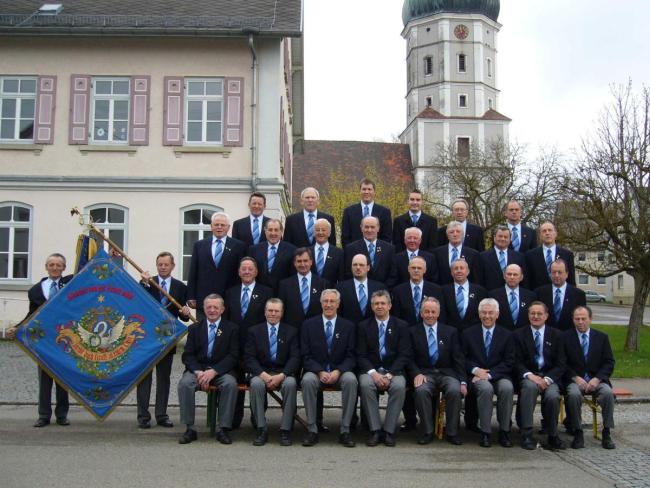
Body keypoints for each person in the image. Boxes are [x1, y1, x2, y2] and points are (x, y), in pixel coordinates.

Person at [9, 253, 73, 428]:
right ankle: (44, 415)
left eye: (58, 265)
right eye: (51, 264)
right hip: (44, 341)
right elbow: (32, 315)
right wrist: (17, 327)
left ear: (63, 268)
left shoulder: (70, 284)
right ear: (46, 267)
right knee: (45, 379)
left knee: (62, 379)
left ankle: (62, 415)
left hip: (64, 339)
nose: (54, 268)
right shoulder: (36, 290)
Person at [137, 252, 191, 429]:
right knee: (144, 378)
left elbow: (183, 316)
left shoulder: (179, 287)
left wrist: (185, 313)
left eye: (166, 264)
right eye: (159, 264)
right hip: (147, 339)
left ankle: (161, 414)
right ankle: (143, 416)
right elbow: (138, 303)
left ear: (173, 266)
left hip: (167, 339)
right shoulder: (148, 282)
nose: (162, 267)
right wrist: (143, 284)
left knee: (163, 378)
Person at [177, 294, 239, 445]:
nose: (212, 310)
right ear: (204, 309)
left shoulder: (232, 329)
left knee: (230, 384)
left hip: (221, 371)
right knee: (185, 384)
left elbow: (233, 356)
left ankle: (223, 428)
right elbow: (187, 356)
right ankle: (189, 428)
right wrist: (198, 372)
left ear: (222, 309)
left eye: (215, 307)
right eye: (209, 307)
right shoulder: (194, 329)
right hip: (198, 371)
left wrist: (214, 371)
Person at [300, 289, 358, 447]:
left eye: (332, 301)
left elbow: (351, 356)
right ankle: (312, 429)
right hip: (316, 372)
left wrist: (338, 371)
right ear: (321, 303)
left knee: (351, 380)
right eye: (325, 301)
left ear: (338, 304)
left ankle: (345, 430)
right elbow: (305, 355)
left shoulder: (348, 326)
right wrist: (319, 371)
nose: (328, 304)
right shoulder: (308, 325)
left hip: (339, 372)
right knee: (307, 381)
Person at [407, 297, 467, 445]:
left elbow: (458, 358)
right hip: (424, 373)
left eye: (433, 311)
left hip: (447, 373)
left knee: (454, 390)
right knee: (421, 391)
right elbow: (408, 357)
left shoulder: (450, 331)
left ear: (438, 313)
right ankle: (427, 431)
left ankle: (452, 432)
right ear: (421, 313)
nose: (429, 315)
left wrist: (463, 381)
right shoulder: (412, 332)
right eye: (426, 311)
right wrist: (416, 373)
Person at [224, 257, 273, 429]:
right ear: (238, 272)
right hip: (235, 346)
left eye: (250, 269)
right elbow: (227, 320)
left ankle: (257, 417)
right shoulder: (230, 292)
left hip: (258, 347)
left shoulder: (266, 292)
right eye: (243, 269)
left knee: (258, 382)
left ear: (256, 272)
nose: (246, 272)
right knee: (236, 381)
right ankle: (234, 419)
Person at [357, 290, 410, 447]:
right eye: (376, 304)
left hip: (394, 370)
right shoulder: (363, 326)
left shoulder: (401, 326)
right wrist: (373, 374)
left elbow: (404, 354)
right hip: (371, 370)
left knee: (399, 386)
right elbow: (361, 354)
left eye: (383, 303)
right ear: (372, 307)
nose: (379, 306)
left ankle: (389, 431)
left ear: (389, 306)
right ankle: (375, 430)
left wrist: (390, 374)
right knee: (366, 384)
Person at [245, 298, 300, 446]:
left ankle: (286, 430)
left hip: (283, 373)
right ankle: (261, 428)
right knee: (255, 384)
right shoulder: (254, 331)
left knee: (290, 384)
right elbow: (249, 358)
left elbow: (295, 357)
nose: (273, 314)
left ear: (282, 313)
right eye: (270, 310)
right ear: (265, 312)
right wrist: (263, 375)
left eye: (276, 311)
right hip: (262, 373)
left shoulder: (291, 331)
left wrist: (282, 375)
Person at [513, 301, 566, 450]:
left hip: (550, 377)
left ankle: (552, 434)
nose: (536, 316)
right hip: (528, 377)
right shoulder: (518, 335)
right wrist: (530, 375)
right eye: (532, 313)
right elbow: (516, 361)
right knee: (529, 389)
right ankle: (527, 433)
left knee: (553, 396)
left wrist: (547, 379)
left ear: (546, 316)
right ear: (528, 315)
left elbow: (561, 363)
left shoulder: (557, 335)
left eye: (539, 314)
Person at [462, 299, 515, 448]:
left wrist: (489, 374)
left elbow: (509, 361)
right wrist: (476, 370)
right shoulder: (468, 333)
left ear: (497, 314)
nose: (487, 316)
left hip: (499, 375)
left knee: (507, 388)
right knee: (485, 389)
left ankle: (504, 431)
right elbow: (462, 358)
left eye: (490, 313)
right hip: (476, 377)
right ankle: (486, 432)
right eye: (484, 313)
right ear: (479, 314)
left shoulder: (507, 335)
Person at [563, 306, 616, 449]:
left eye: (583, 319)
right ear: (573, 320)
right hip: (575, 380)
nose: (580, 322)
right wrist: (575, 377)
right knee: (573, 395)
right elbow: (562, 363)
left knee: (607, 393)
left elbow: (609, 362)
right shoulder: (565, 337)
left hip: (596, 380)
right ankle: (577, 431)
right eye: (577, 319)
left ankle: (606, 431)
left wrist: (597, 378)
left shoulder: (602, 337)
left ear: (590, 319)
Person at [186, 212, 246, 319]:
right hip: (204, 300)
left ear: (228, 227)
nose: (219, 227)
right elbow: (193, 271)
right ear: (211, 226)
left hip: (228, 300)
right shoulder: (199, 245)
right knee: (203, 332)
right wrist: (191, 296)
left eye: (222, 225)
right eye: (216, 224)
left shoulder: (238, 246)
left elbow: (240, 274)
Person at [278, 248, 330, 328]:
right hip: (292, 330)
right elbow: (282, 310)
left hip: (315, 328)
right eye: (299, 261)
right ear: (294, 263)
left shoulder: (323, 283)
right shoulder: (284, 285)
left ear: (311, 262)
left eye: (305, 261)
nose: (302, 264)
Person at [391, 256, 444, 326]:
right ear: (408, 269)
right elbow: (396, 316)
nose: (416, 270)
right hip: (406, 331)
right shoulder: (398, 291)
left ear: (425, 270)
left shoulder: (436, 290)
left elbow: (441, 316)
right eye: (413, 268)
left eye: (419, 268)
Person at [247, 219, 296, 294]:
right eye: (270, 230)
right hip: (259, 294)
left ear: (281, 231)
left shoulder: (292, 250)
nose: (273, 233)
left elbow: (293, 275)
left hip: (282, 293)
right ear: (265, 231)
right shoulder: (254, 250)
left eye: (276, 230)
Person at [535, 259, 586, 331]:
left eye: (560, 272)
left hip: (568, 337)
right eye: (554, 272)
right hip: (547, 337)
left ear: (567, 274)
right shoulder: (539, 293)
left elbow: (581, 319)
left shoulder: (578, 295)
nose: (556, 275)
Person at [336, 254, 387, 325]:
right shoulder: (340, 288)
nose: (358, 267)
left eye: (361, 265)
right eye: (355, 265)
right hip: (350, 331)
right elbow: (338, 312)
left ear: (368, 267)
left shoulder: (379, 287)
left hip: (372, 331)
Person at [343, 215, 395, 284]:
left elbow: (393, 274)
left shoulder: (389, 249)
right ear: (361, 228)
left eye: (372, 227)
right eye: (366, 227)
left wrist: (383, 290)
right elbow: (348, 273)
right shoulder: (350, 248)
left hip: (382, 292)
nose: (369, 230)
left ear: (378, 228)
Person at [341, 177, 392, 246]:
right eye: (364, 189)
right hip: (355, 254)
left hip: (377, 254)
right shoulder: (348, 212)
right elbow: (345, 238)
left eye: (369, 189)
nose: (366, 192)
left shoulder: (384, 212)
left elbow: (387, 237)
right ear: (360, 191)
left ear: (374, 191)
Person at [525, 221, 576, 289]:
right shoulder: (530, 255)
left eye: (550, 230)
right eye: (544, 231)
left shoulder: (567, 255)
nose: (547, 233)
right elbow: (528, 281)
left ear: (555, 234)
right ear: (540, 236)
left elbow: (571, 280)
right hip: (538, 297)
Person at [441, 259, 487, 332]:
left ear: (468, 271)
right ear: (451, 273)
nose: (459, 271)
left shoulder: (480, 291)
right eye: (456, 269)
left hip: (473, 332)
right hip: (451, 332)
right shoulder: (443, 291)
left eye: (462, 268)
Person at [478, 225, 527, 291]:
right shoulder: (482, 257)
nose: (503, 239)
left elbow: (524, 280)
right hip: (490, 296)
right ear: (494, 237)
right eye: (500, 236)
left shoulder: (519, 257)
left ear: (510, 239)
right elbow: (479, 280)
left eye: (506, 237)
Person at [489, 264, 537, 331]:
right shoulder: (493, 295)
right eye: (509, 274)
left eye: (515, 274)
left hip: (523, 335)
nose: (512, 277)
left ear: (521, 277)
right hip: (502, 334)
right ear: (504, 276)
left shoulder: (530, 296)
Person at [432, 221, 480, 285]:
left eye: (458, 231)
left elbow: (476, 279)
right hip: (442, 291)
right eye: (451, 232)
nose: (455, 234)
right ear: (447, 235)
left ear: (463, 235)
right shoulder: (436, 253)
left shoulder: (473, 254)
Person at [311, 218, 344, 285]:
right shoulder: (306, 252)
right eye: (317, 230)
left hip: (331, 293)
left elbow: (342, 279)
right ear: (314, 233)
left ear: (329, 233)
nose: (320, 232)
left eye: (323, 230)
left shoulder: (339, 253)